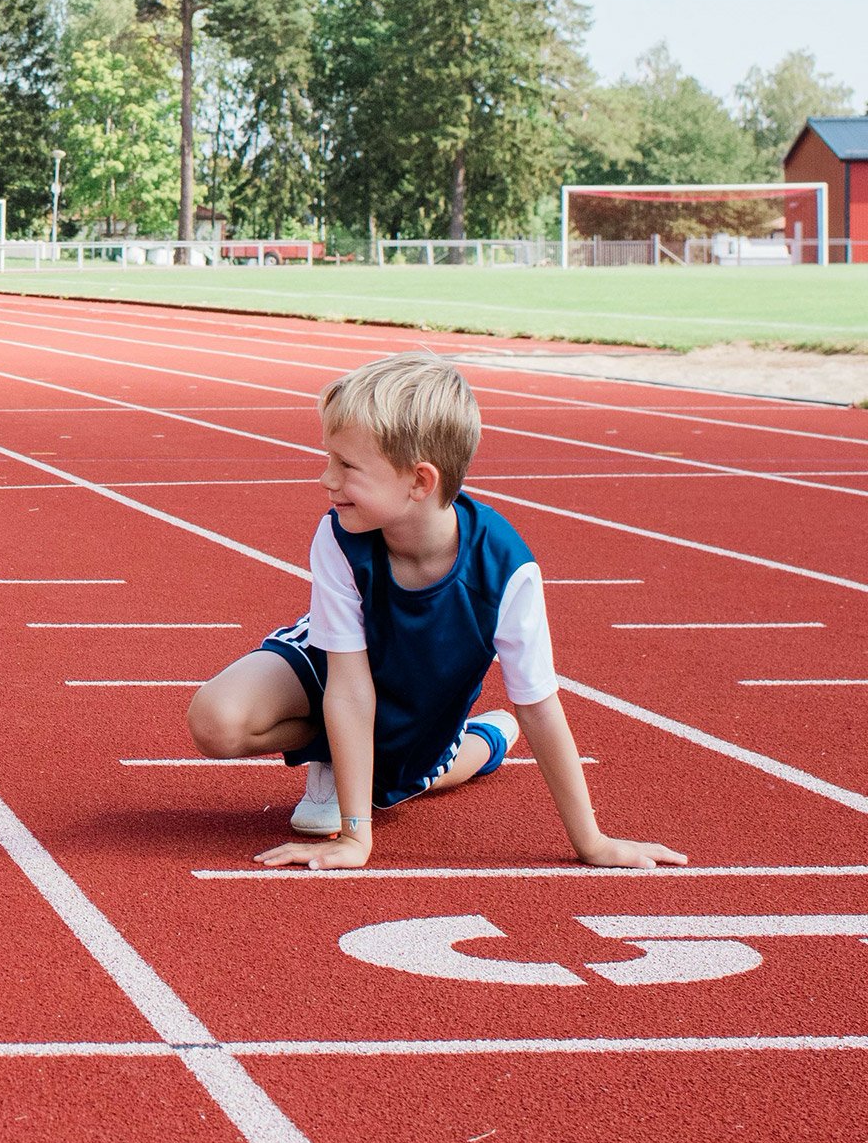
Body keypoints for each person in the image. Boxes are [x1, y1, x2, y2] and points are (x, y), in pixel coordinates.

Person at [186, 353, 684, 871]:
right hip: (335, 670)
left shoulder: (505, 568)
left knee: (404, 779)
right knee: (217, 722)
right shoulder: (340, 534)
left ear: (420, 482)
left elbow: (537, 704)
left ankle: (486, 738)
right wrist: (357, 837)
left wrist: (593, 842)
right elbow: (350, 686)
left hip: (421, 704)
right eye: (328, 457)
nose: (326, 479)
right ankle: (344, 762)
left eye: (347, 466)